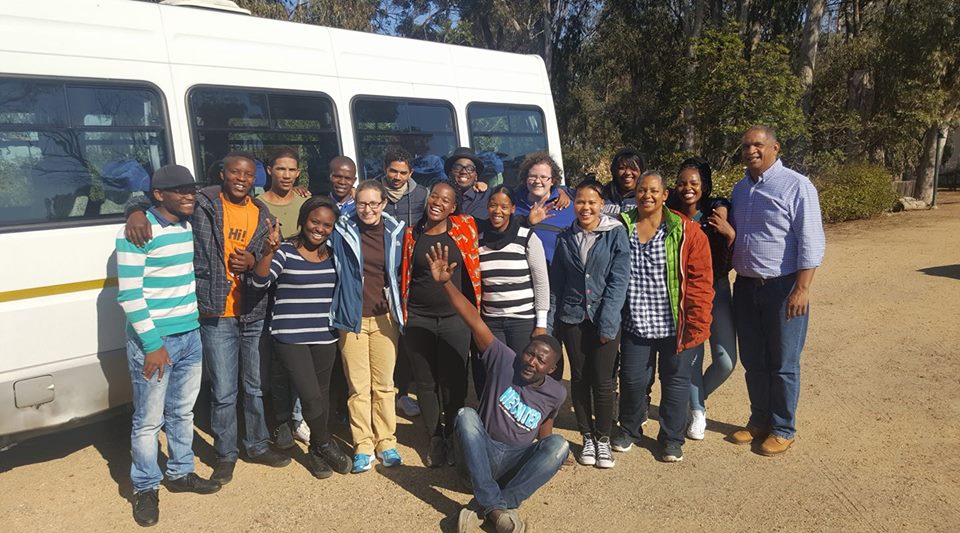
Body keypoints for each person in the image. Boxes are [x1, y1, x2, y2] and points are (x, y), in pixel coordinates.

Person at [124, 153, 291, 484]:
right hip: (216, 313)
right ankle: (227, 453)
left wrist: (255, 256)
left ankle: (256, 445)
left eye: (247, 174)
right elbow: (159, 198)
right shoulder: (202, 203)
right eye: (234, 173)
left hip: (253, 310)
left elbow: (274, 246)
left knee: (255, 387)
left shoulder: (262, 212)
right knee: (224, 391)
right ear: (222, 174)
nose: (241, 179)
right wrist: (134, 211)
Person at [423, 244, 567, 533]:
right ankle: (498, 509)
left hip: (514, 465)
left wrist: (548, 460)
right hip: (479, 459)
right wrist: (446, 283)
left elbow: (545, 429)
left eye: (541, 360)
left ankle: (488, 505)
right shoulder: (504, 360)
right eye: (530, 352)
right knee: (465, 415)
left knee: (559, 446)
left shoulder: (556, 392)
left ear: (551, 369)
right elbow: (474, 321)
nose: (532, 361)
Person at [116, 165, 220, 527]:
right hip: (155, 342)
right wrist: (151, 344)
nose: (190, 195)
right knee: (148, 421)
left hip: (190, 335)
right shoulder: (136, 232)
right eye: (180, 191)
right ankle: (145, 487)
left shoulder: (185, 224)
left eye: (192, 189)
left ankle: (180, 472)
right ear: (159, 195)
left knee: (183, 412)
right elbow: (129, 294)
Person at [728, 126, 825, 456]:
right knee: (753, 360)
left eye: (758, 144)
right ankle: (760, 419)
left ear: (775, 147)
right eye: (746, 145)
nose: (751, 150)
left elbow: (811, 240)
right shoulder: (740, 190)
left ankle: (784, 427)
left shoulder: (797, 186)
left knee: (783, 362)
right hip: (745, 287)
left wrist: (803, 288)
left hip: (783, 288)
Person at [612, 171, 714, 463]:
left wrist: (697, 321)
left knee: (675, 382)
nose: (647, 195)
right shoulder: (623, 225)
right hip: (636, 323)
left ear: (665, 195)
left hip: (675, 325)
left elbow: (701, 280)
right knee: (632, 379)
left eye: (654, 190)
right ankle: (630, 429)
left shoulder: (685, 230)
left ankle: (671, 438)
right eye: (642, 190)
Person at [250, 196, 353, 479]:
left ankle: (317, 449)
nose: (319, 229)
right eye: (314, 222)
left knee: (322, 394)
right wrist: (268, 251)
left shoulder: (333, 255)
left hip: (324, 335)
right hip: (290, 336)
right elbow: (259, 282)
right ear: (303, 220)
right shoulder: (285, 251)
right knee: (309, 396)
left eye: (327, 225)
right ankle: (322, 444)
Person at [547, 181, 630, 469]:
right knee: (580, 379)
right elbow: (557, 283)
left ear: (601, 204)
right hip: (572, 318)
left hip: (604, 318)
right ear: (574, 204)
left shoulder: (615, 233)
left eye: (592, 202)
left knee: (603, 380)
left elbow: (619, 281)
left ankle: (603, 438)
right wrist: (551, 324)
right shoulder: (565, 237)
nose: (585, 207)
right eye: (580, 201)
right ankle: (587, 438)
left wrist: (608, 322)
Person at [400, 180, 481, 468]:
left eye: (446, 200)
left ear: (454, 207)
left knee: (455, 381)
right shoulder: (412, 235)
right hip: (418, 319)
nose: (438, 202)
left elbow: (500, 214)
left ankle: (454, 436)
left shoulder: (465, 228)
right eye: (434, 196)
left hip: (455, 319)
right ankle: (435, 436)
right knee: (425, 381)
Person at [330, 179, 407, 473]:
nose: (368, 209)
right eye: (362, 203)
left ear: (384, 204)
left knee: (385, 385)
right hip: (351, 317)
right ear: (354, 202)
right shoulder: (341, 230)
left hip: (385, 316)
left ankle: (386, 442)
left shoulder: (395, 232)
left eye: (374, 203)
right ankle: (363, 445)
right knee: (358, 387)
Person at [665, 157, 737, 440]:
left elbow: (729, 260)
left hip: (716, 289)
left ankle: (690, 397)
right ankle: (697, 411)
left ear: (704, 186)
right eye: (682, 183)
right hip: (683, 293)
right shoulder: (668, 212)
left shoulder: (716, 212)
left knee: (725, 361)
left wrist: (730, 235)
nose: (687, 188)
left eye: (694, 183)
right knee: (692, 357)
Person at [256, 146, 311, 449]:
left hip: (300, 295)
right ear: (269, 170)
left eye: (292, 170)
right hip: (269, 295)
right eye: (280, 169)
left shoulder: (304, 200)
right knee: (275, 365)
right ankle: (280, 422)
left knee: (301, 362)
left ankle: (298, 417)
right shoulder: (257, 204)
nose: (287, 175)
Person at [477, 186, 549, 361]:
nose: (497, 211)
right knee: (498, 372)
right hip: (491, 321)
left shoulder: (527, 237)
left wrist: (541, 324)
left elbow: (541, 282)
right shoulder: (478, 240)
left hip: (522, 320)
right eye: (493, 205)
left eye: (504, 206)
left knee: (521, 371)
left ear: (513, 209)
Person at [380, 148, 426, 419]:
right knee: (385, 337)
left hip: (408, 275)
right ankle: (385, 390)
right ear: (385, 169)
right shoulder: (373, 191)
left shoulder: (422, 195)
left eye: (403, 172)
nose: (397, 177)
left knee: (407, 337)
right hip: (381, 274)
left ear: (411, 173)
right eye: (392, 171)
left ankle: (403, 394)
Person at [511, 152, 575, 264]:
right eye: (532, 176)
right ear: (525, 178)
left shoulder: (568, 208)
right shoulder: (512, 203)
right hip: (519, 277)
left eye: (544, 177)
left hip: (554, 277)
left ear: (553, 181)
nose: (537, 181)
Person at [446, 146, 491, 220]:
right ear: (450, 174)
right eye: (458, 167)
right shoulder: (442, 197)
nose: (463, 172)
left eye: (470, 168)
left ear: (476, 176)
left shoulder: (487, 196)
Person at [601, 147, 644, 216]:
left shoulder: (646, 198)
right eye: (621, 168)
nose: (627, 173)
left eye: (633, 169)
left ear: (641, 172)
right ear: (614, 170)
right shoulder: (602, 194)